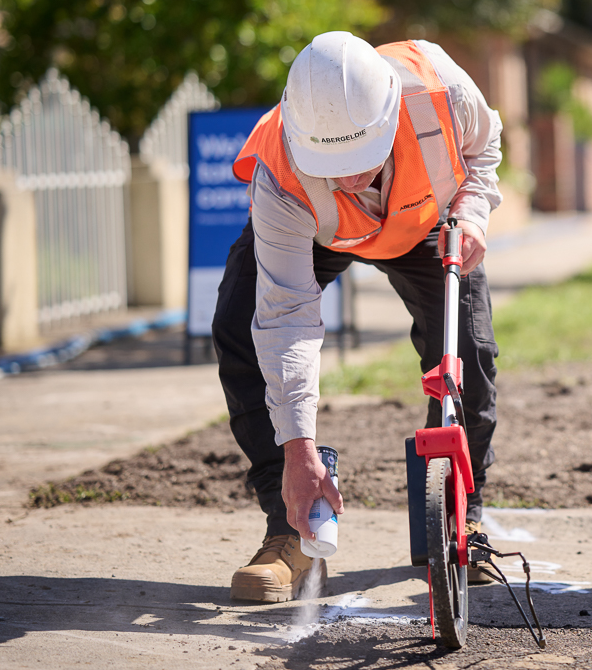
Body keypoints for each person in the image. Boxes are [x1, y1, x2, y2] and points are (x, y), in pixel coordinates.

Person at [213, 31, 503, 602]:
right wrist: (299, 447)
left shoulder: (441, 90)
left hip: (425, 222)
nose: (348, 179)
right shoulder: (282, 170)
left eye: (360, 160)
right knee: (241, 327)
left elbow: (483, 151)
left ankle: (456, 519)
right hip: (318, 231)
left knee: (468, 350)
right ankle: (289, 530)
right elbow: (287, 320)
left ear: (391, 116)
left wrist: (470, 214)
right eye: (333, 165)